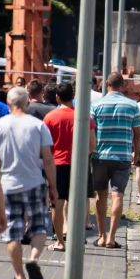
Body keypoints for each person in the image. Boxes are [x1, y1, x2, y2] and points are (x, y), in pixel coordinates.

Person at [0, 87, 57, 279]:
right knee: (39, 226)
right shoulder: (38, 126)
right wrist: (53, 187)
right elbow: (48, 158)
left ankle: (19, 277)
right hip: (35, 183)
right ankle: (34, 259)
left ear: (8, 104)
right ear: (27, 103)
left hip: (8, 185)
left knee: (12, 232)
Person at [90, 73, 140, 249]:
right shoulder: (132, 106)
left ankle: (101, 235)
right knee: (118, 195)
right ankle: (112, 238)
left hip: (100, 156)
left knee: (101, 196)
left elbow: (91, 131)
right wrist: (136, 154)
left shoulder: (96, 105)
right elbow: (137, 134)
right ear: (123, 85)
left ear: (107, 84)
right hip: (122, 156)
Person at [43, 83, 95, 252]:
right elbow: (92, 144)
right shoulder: (84, 116)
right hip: (78, 164)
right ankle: (77, 237)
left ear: (57, 97)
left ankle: (60, 241)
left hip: (57, 165)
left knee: (57, 204)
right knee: (78, 203)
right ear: (73, 96)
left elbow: (44, 147)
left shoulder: (50, 117)